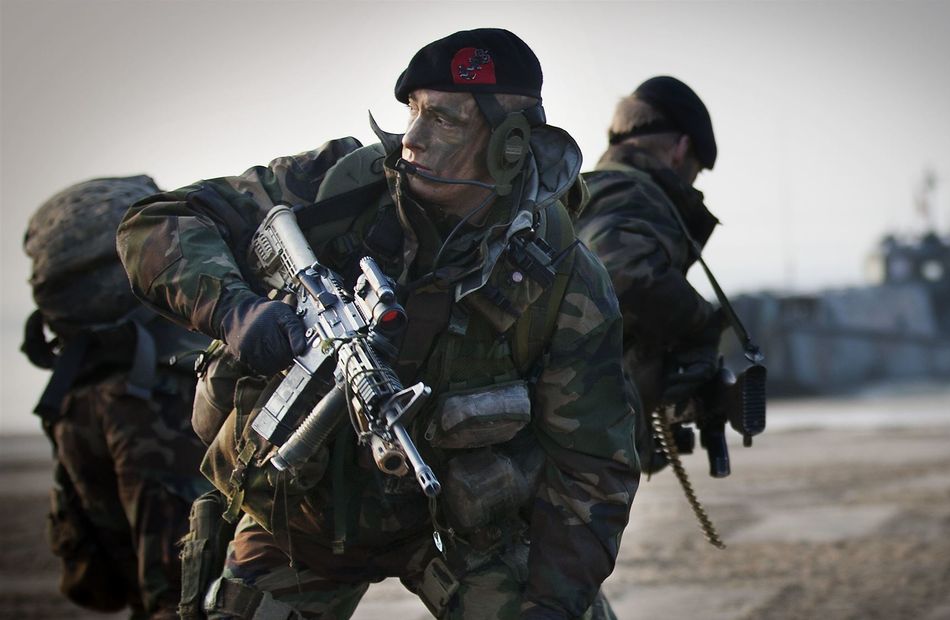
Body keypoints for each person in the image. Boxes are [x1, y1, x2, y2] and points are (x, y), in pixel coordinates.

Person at [116, 28, 638, 620]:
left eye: (443, 120)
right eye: (412, 112)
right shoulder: (336, 187)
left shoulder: (563, 277)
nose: (410, 138)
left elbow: (592, 467)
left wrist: (552, 604)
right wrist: (237, 311)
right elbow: (154, 223)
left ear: (511, 144)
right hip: (301, 520)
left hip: (459, 527)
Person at [21, 176, 212, 619]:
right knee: (186, 592)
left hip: (92, 402)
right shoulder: (161, 386)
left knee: (146, 585)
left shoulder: (81, 384)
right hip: (153, 409)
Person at [575, 76, 724, 473]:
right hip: (580, 427)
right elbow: (625, 273)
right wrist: (703, 325)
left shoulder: (587, 195)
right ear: (681, 149)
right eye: (695, 171)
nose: (691, 182)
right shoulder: (631, 193)